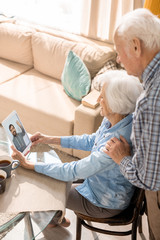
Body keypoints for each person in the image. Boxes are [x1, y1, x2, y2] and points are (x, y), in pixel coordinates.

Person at [11, 70, 143, 228]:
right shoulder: (118, 119)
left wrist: (29, 165)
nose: (98, 99)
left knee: (44, 185)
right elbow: (91, 140)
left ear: (115, 105)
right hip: (99, 182)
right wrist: (49, 139)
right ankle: (55, 215)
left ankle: (51, 219)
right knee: (51, 175)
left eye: (102, 97)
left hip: (104, 202)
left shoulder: (116, 144)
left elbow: (74, 170)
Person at [103, 8, 160, 240]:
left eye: (119, 51)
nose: (118, 59)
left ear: (136, 46)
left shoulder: (151, 100)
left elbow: (149, 179)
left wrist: (121, 158)